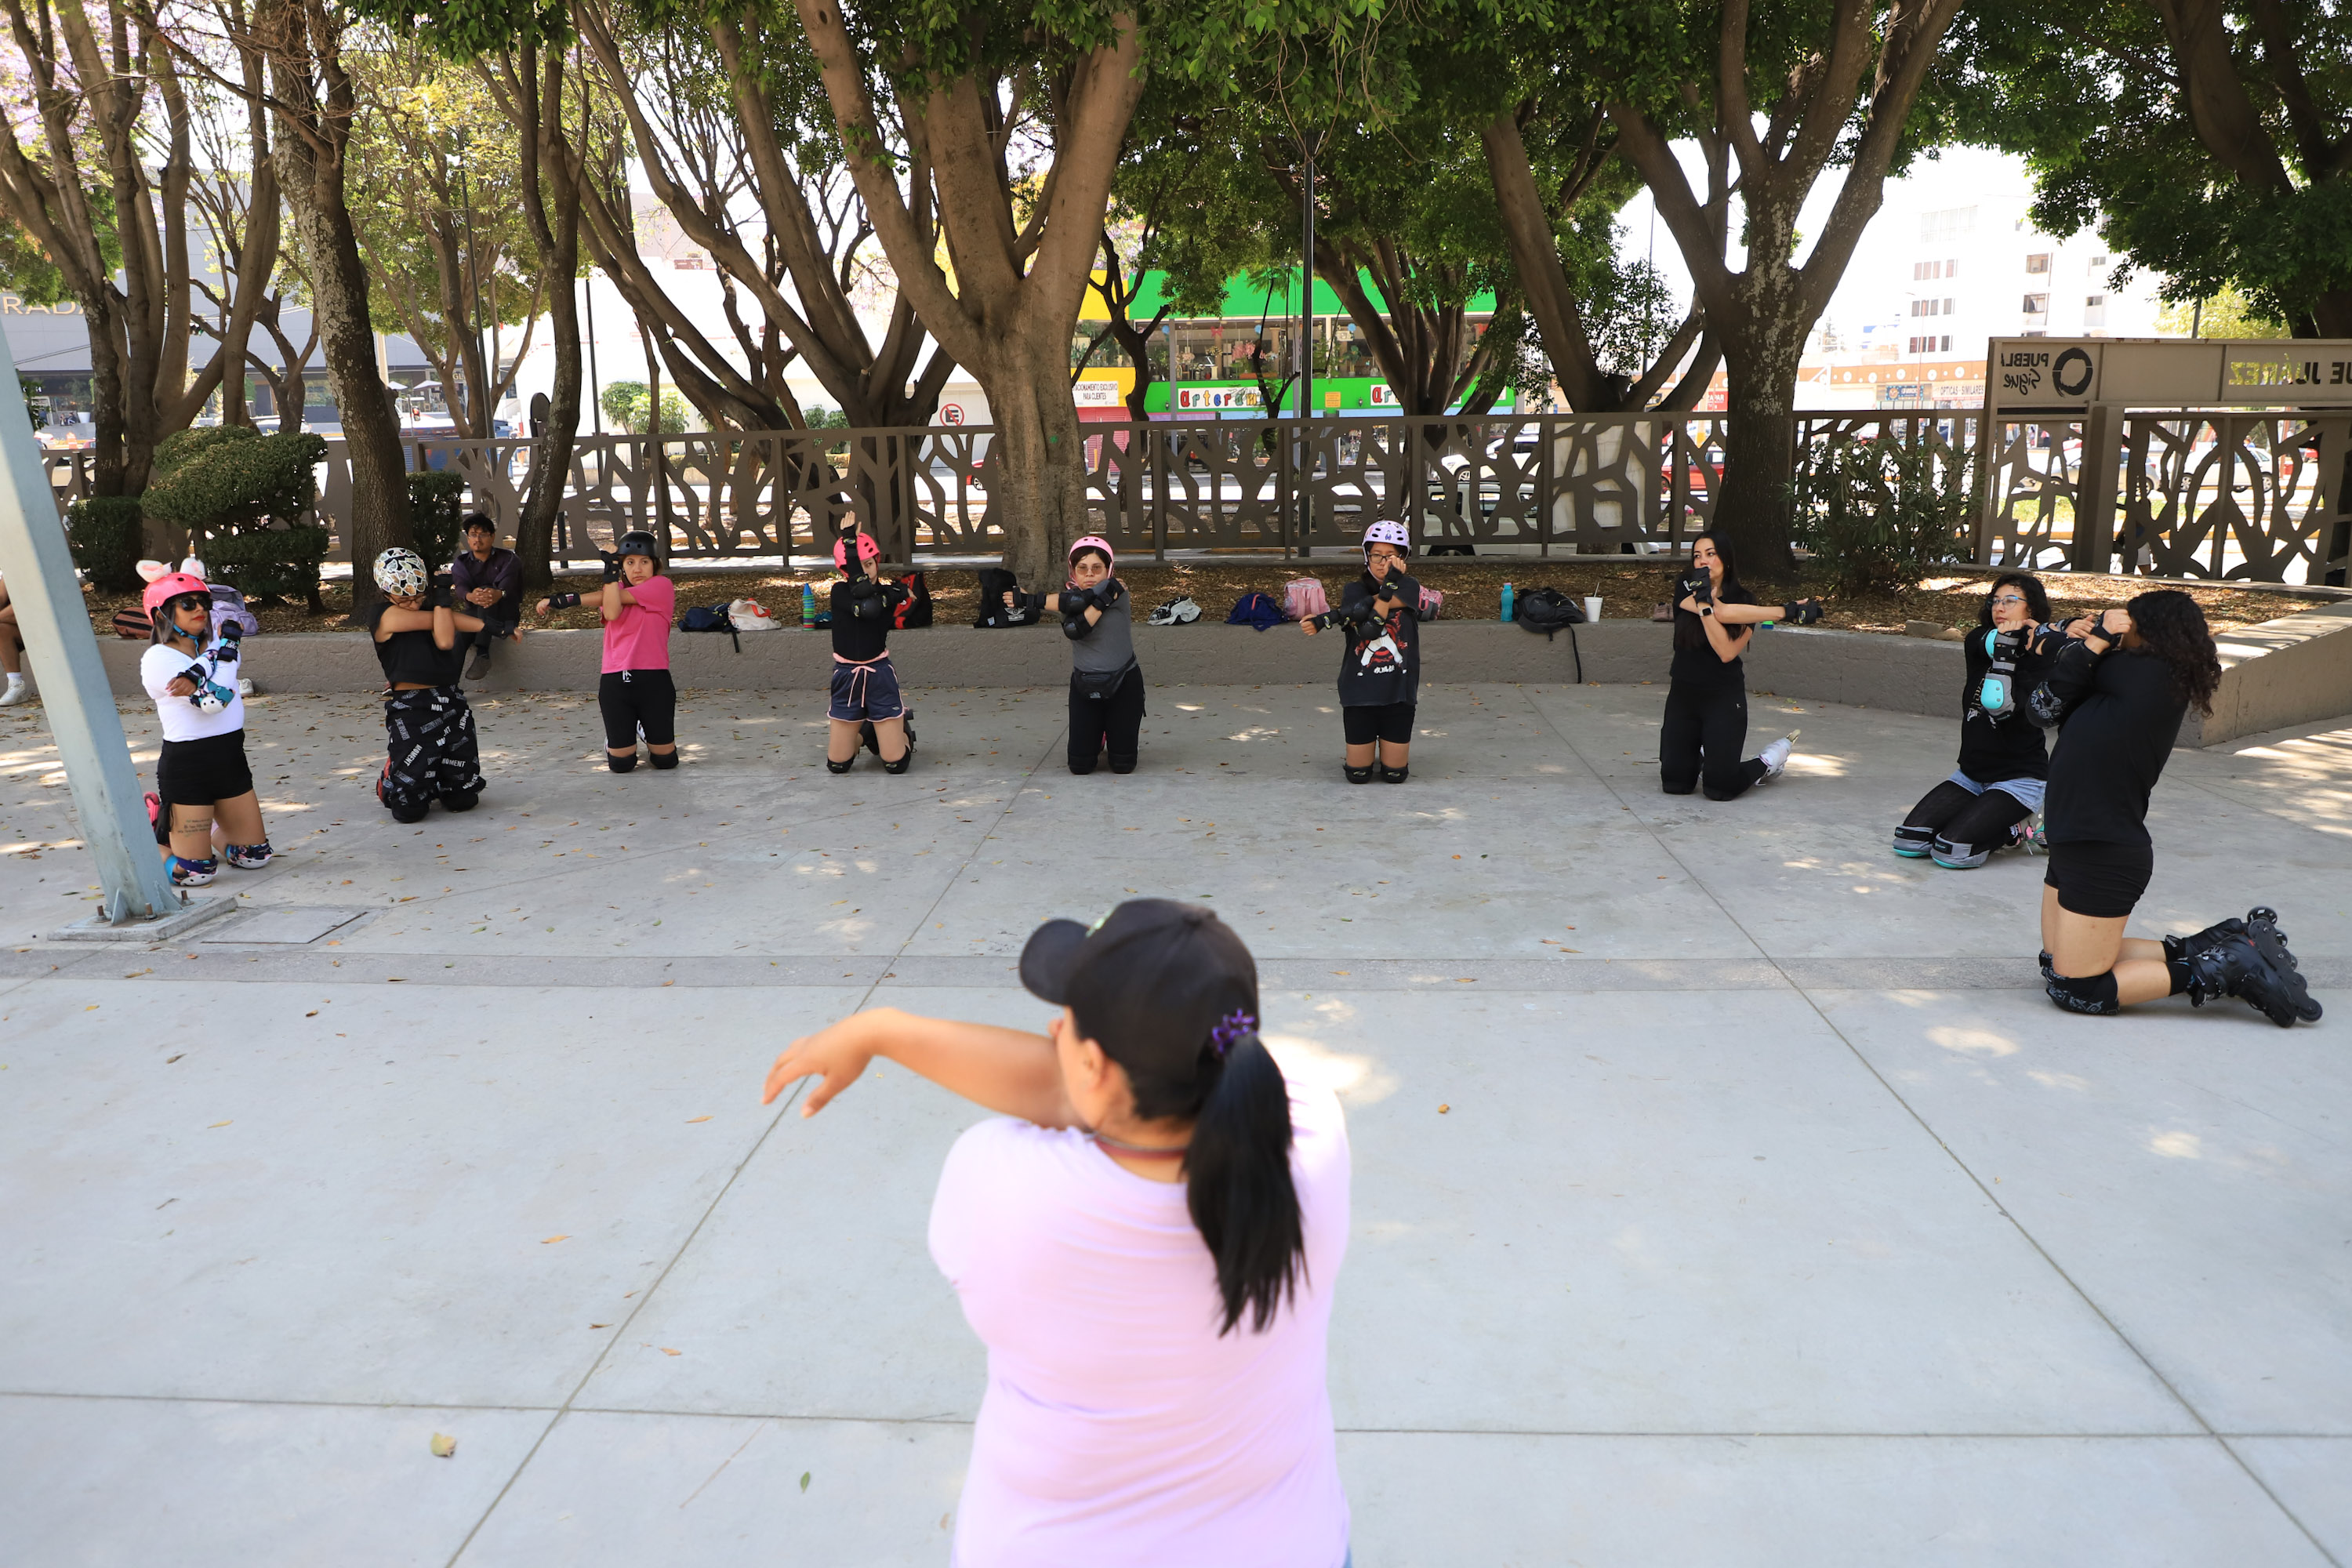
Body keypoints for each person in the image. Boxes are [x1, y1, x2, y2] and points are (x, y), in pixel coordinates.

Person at [760, 899, 1351, 1567]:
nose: (1049, 1030)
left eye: (1065, 1022)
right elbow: (1098, 1095)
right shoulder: (1310, 1136)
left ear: (1095, 1065)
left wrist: (882, 1029)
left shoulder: (1007, 1188)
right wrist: (884, 1030)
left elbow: (1071, 1097)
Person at [2031, 590, 2320, 1027]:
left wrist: (2088, 637)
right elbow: (2048, 703)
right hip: (2077, 837)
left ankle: (2223, 967)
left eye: (2128, 619)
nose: (2118, 625)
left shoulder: (2149, 673)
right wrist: (2085, 639)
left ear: (2147, 628)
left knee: (2076, 988)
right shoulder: (2124, 674)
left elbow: (2046, 691)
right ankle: (2217, 944)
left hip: (2102, 848)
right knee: (2054, 961)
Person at [1893, 572, 2065, 868]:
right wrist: (2022, 640)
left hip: (2018, 779)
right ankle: (1982, 813)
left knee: (1952, 851)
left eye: (2010, 601)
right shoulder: (1977, 641)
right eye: (1995, 600)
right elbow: (1998, 643)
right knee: (1909, 841)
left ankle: (2016, 831)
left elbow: (1999, 706)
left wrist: (2049, 636)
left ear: (2032, 609)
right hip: (1971, 775)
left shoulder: (2042, 657)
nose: (1999, 607)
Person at [137, 568, 271, 884]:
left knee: (255, 857)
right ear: (161, 615)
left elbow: (221, 676)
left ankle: (205, 826)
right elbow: (214, 702)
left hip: (229, 758)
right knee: (195, 874)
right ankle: (145, 836)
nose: (201, 609)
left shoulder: (214, 649)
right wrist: (228, 652)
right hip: (189, 767)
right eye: (188, 604)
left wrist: (223, 653)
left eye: (204, 603)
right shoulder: (158, 659)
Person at [1658, 530, 1797, 800]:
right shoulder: (1685, 584)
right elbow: (1721, 612)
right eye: (1697, 556)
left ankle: (1770, 760)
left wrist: (1705, 607)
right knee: (1675, 782)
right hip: (1683, 694)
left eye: (1711, 554)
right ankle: (1698, 754)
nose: (1703, 561)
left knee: (1720, 787)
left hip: (1723, 697)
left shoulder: (1746, 602)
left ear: (1726, 560)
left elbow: (1725, 651)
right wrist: (1784, 612)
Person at [535, 530, 677, 773]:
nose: (638, 568)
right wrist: (609, 573)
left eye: (644, 562)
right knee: (622, 765)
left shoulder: (661, 586)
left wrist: (566, 599)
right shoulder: (614, 589)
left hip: (654, 681)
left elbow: (610, 601)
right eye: (629, 562)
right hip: (616, 681)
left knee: (665, 761)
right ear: (622, 566)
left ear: (655, 565)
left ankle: (643, 728)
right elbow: (611, 608)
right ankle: (620, 737)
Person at [365, 548, 487, 823]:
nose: (413, 604)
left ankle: (447, 782)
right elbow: (444, 634)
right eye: (404, 598)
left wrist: (497, 627)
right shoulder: (383, 615)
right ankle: (391, 780)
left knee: (463, 798)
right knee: (409, 811)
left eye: (419, 597)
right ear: (386, 594)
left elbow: (449, 625)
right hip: (412, 705)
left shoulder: (436, 611)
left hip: (450, 698)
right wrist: (443, 596)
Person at [1300, 519, 1421, 783]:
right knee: (1358, 775)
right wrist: (1359, 607)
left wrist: (1333, 617)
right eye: (1376, 554)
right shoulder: (1353, 590)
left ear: (1402, 558)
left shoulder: (1410, 587)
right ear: (1367, 555)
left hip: (1398, 691)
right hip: (1360, 693)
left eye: (1389, 556)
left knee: (1395, 775)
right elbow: (1368, 632)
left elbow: (1371, 617)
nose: (1381, 561)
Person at [1043, 535, 1143, 775]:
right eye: (1082, 568)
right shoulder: (1068, 600)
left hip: (1124, 682)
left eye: (1097, 568)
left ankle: (1113, 731)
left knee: (1123, 766)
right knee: (1079, 766)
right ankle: (1098, 733)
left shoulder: (1118, 591)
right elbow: (1075, 615)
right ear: (1073, 572)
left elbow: (1089, 598)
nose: (1089, 574)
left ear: (1109, 570)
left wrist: (1029, 600)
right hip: (1084, 684)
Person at [823, 529, 913, 774]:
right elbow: (864, 602)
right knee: (838, 764)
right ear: (845, 570)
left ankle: (901, 731)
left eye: (869, 564)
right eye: (858, 566)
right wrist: (850, 546)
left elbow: (872, 605)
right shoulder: (839, 591)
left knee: (895, 764)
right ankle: (868, 732)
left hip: (879, 675)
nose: (865, 571)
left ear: (877, 562)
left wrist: (898, 592)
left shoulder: (885, 594)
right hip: (846, 676)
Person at [449, 513, 524, 681]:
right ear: (468, 539)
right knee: (460, 636)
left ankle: (482, 652)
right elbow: (460, 587)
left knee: (486, 591)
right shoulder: (461, 563)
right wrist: (470, 596)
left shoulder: (508, 559)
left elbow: (509, 586)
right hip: (475, 614)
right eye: (473, 535)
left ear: (492, 537)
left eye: (482, 535)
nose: (477, 539)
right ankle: (449, 686)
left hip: (505, 616)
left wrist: (498, 593)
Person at [0, 572, 24, 706]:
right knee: (2, 630)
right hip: (22, 629)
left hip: (55, 627)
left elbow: (20, 608)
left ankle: (17, 684)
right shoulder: (10, 568)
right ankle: (16, 685)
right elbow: (1, 596)